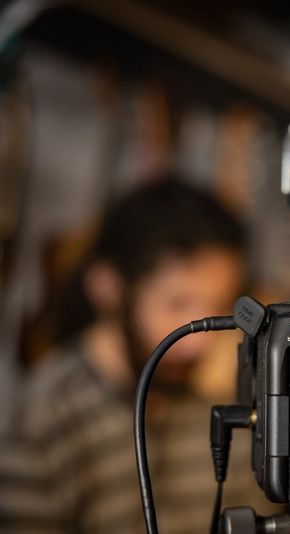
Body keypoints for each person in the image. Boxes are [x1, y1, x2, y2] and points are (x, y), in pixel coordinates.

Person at [0, 179, 273, 533]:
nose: (199, 345)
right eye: (176, 304)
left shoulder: (219, 393)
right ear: (108, 287)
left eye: (218, 306)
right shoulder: (44, 421)